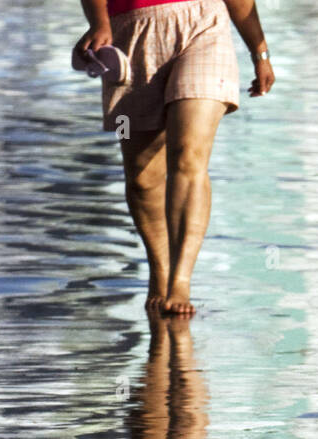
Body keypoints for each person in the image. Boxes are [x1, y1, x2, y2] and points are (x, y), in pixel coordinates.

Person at [74, 0, 275, 315]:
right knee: (140, 178)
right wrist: (99, 22)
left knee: (188, 157)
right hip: (130, 35)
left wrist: (259, 54)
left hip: (203, 25)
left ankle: (180, 281)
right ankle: (161, 269)